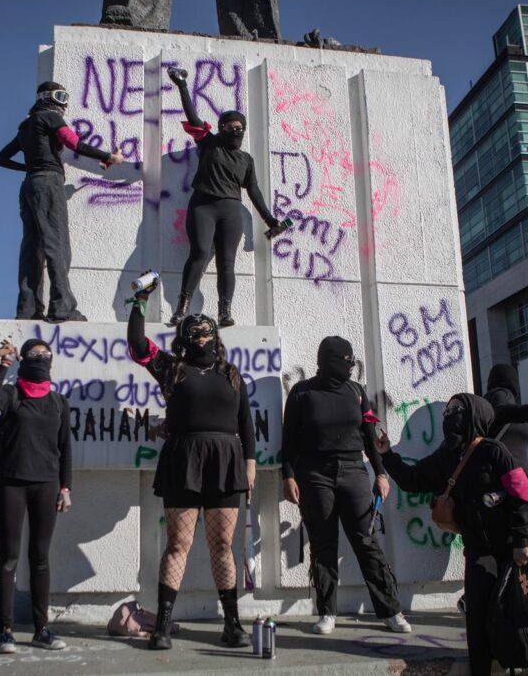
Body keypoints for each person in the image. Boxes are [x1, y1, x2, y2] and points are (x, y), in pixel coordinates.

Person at [376, 393, 528, 676]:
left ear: (475, 415)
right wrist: (387, 455)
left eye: (457, 409)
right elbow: (413, 480)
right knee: (478, 621)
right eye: (448, 410)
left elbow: (522, 494)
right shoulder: (446, 457)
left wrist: (522, 542)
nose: (450, 415)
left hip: (514, 550)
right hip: (478, 553)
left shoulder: (493, 451)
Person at [127, 275, 255, 650]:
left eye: (206, 331)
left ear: (216, 335)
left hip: (226, 463)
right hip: (183, 459)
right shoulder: (172, 369)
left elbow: (246, 424)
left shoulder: (232, 374)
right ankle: (163, 625)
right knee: (178, 543)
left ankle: (232, 624)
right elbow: (137, 346)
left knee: (222, 546)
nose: (201, 336)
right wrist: (139, 301)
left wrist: (249, 464)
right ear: (183, 337)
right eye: (193, 331)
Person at [281, 336, 410, 634]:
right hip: (315, 474)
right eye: (346, 361)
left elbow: (369, 435)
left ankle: (391, 611)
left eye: (352, 362)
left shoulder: (357, 391)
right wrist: (288, 475)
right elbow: (288, 441)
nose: (350, 367)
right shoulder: (302, 392)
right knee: (323, 544)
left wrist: (380, 473)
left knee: (366, 541)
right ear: (329, 360)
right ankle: (327, 613)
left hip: (354, 471)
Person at [0, 81, 125, 322]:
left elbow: (0, 158)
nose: (64, 102)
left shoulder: (26, 125)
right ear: (50, 97)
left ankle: (28, 309)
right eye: (61, 96)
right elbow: (73, 142)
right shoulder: (51, 117)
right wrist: (110, 156)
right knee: (58, 246)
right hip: (48, 183)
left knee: (32, 249)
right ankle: (62, 308)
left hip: (29, 185)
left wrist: (30, 167)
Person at [165, 66, 284, 328]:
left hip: (231, 211)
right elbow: (193, 117)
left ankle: (224, 312)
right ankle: (182, 306)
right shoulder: (210, 144)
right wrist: (183, 86)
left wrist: (269, 219)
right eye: (231, 127)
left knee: (226, 262)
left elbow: (253, 190)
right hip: (203, 206)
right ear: (221, 129)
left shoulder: (246, 159)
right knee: (198, 253)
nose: (236, 131)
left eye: (240, 127)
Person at [0, 338, 73, 653]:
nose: (40, 357)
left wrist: (66, 488)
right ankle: (5, 631)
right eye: (33, 353)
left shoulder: (59, 402)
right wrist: (5, 364)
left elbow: (65, 449)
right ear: (24, 358)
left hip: (46, 485)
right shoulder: (12, 394)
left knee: (40, 558)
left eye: (45, 353)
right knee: (8, 557)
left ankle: (41, 629)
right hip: (12, 484)